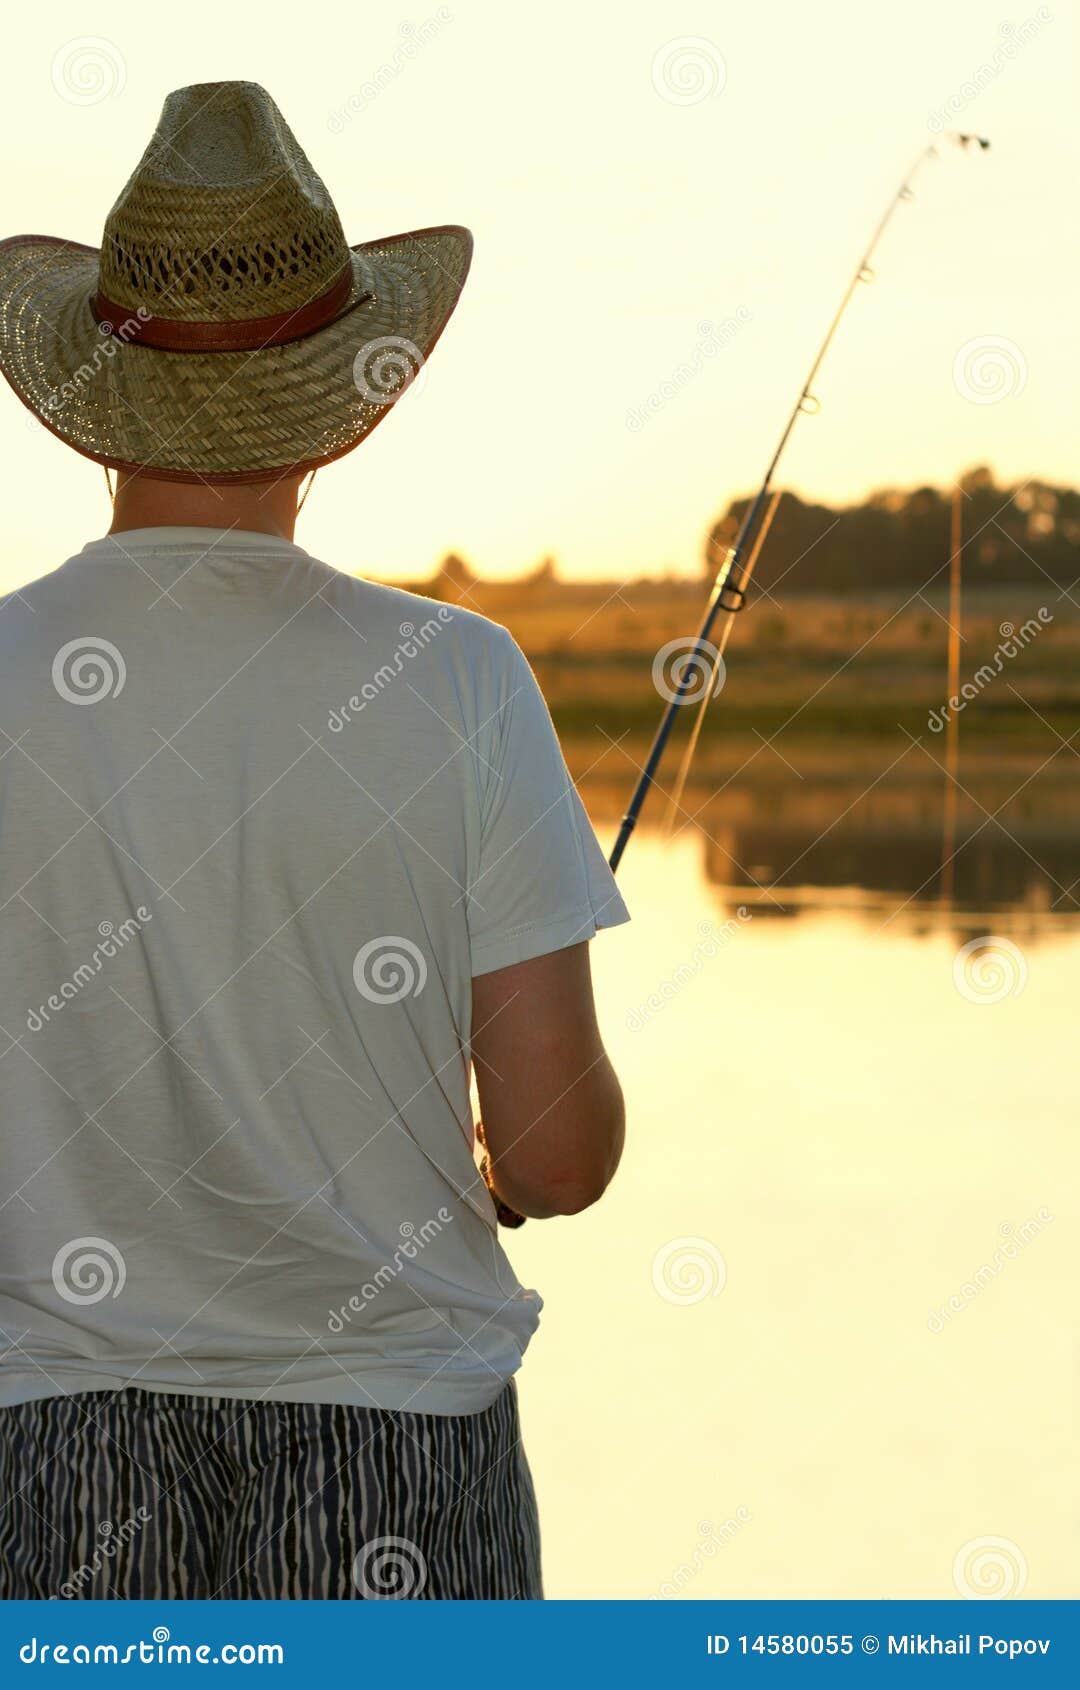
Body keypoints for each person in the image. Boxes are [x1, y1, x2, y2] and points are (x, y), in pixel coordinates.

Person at [0, 81, 627, 1600]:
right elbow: (556, 1148)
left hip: (51, 1444)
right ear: (339, 405)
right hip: (399, 1436)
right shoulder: (460, 675)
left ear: (98, 395)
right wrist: (513, 1173)